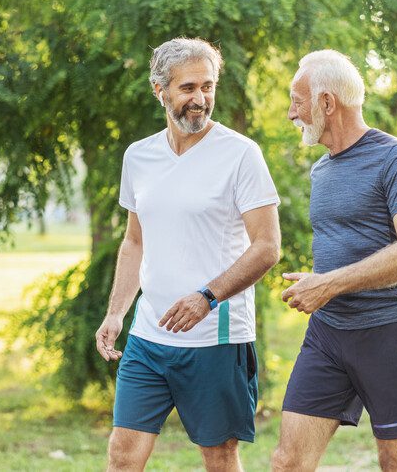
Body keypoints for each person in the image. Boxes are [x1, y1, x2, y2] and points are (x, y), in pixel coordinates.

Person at [95, 37, 281, 472]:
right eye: (188, 88)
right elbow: (135, 242)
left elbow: (268, 246)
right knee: (122, 453)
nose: (200, 100)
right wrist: (116, 312)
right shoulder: (139, 157)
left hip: (215, 339)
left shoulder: (240, 154)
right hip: (149, 337)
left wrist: (207, 296)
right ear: (159, 90)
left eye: (208, 87)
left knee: (218, 456)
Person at [272, 49, 397, 472]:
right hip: (328, 334)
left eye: (297, 100)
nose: (292, 114)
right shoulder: (321, 171)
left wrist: (328, 283)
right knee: (288, 462)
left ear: (327, 102)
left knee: (396, 466)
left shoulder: (395, 158)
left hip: (388, 331)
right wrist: (323, 286)